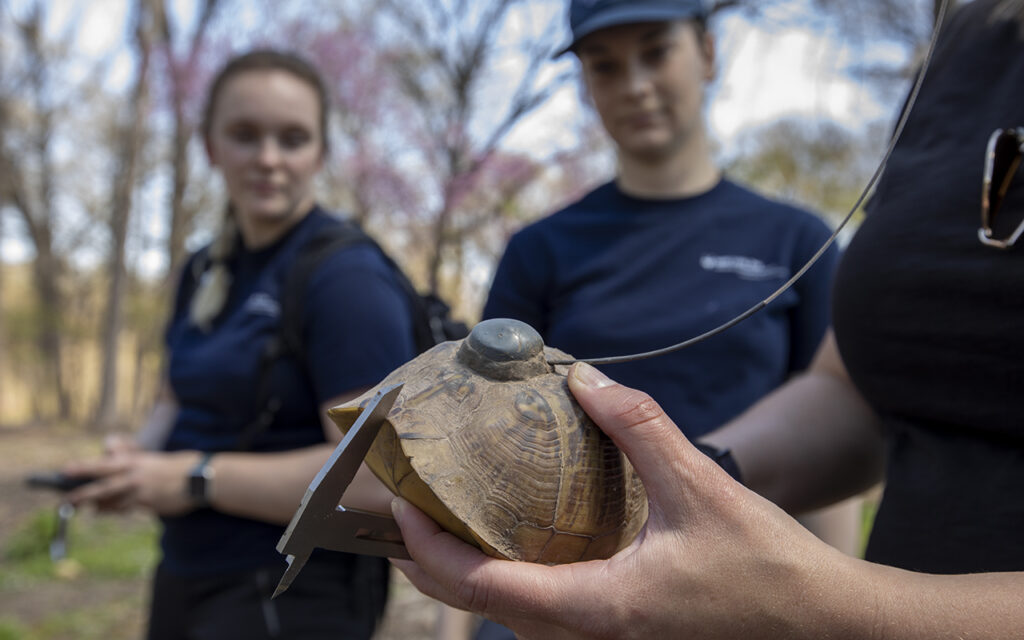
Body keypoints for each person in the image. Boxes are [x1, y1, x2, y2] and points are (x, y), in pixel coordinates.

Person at [387, 0, 1024, 636]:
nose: (635, 85)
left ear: (708, 53)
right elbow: (847, 397)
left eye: (657, 52)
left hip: (748, 601)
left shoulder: (795, 239)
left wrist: (831, 597)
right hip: (569, 575)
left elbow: (841, 465)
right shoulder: (541, 248)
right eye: (605, 67)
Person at [63, 50, 415, 639]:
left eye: (293, 138)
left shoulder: (347, 278)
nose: (269, 159)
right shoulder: (203, 268)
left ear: (321, 153)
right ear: (210, 147)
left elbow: (372, 479)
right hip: (185, 571)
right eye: (245, 135)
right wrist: (131, 461)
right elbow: (175, 399)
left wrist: (193, 479)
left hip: (294, 590)